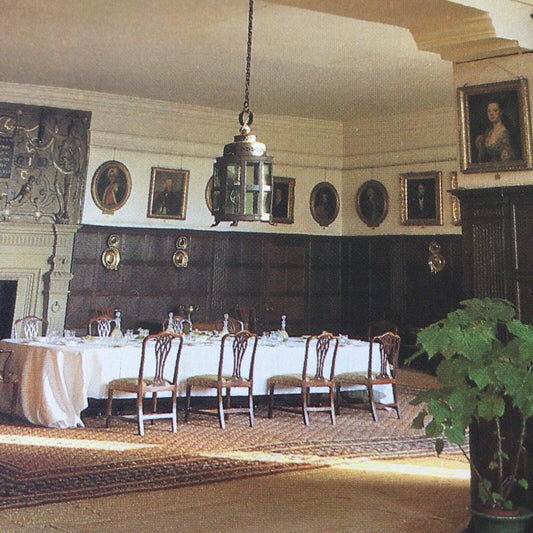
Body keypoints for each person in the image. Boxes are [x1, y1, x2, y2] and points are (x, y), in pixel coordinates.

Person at [474, 97, 516, 163]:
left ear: (501, 112)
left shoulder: (505, 133)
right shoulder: (488, 132)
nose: (491, 114)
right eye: (489, 111)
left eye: (495, 110)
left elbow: (507, 159)